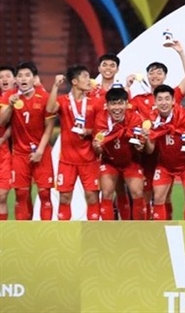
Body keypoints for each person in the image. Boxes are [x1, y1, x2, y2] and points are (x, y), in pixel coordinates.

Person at [127, 41, 185, 219]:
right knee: (149, 193)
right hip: (148, 153)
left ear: (165, 76)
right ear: (147, 76)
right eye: (151, 72)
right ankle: (147, 227)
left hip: (167, 153)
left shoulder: (172, 95)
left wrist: (181, 52)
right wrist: (127, 87)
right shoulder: (139, 99)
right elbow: (123, 111)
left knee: (165, 195)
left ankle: (166, 225)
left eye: (159, 72)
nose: (155, 75)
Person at [0, 62, 55, 220]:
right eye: (20, 76)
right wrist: (10, 106)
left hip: (42, 153)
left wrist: (40, 151)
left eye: (27, 75)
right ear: (16, 80)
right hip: (19, 154)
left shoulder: (44, 97)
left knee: (45, 195)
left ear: (34, 78)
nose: (23, 78)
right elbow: (2, 122)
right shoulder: (9, 96)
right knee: (21, 195)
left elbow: (49, 127)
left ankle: (46, 232)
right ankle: (23, 232)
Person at [46, 65, 101, 221]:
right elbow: (50, 109)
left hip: (89, 159)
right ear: (75, 81)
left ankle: (93, 232)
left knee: (92, 197)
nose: (89, 80)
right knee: (64, 198)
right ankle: (65, 232)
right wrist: (55, 86)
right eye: (85, 76)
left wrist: (88, 131)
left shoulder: (95, 102)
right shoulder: (63, 101)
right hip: (67, 160)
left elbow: (100, 128)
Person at [141, 85, 185, 221]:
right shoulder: (152, 120)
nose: (163, 103)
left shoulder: (183, 116)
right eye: (160, 99)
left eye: (167, 99)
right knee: (158, 198)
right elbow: (150, 150)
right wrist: (146, 138)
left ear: (173, 101)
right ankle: (161, 230)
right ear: (155, 102)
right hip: (165, 166)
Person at [93, 87, 147, 220]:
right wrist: (97, 147)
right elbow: (98, 148)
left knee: (137, 192)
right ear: (107, 105)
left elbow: (140, 146)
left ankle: (140, 229)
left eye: (120, 103)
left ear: (126, 104)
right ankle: (110, 230)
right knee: (107, 193)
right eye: (113, 104)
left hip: (131, 162)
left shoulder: (135, 118)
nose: (117, 108)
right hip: (110, 162)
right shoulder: (100, 119)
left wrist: (140, 145)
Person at [90, 53, 130, 220]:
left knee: (121, 189)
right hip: (97, 146)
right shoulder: (91, 91)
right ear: (99, 68)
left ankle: (125, 227)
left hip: (119, 146)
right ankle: (105, 226)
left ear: (117, 69)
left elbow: (129, 116)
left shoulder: (123, 91)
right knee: (102, 191)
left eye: (112, 65)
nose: (108, 68)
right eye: (104, 65)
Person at [0, 66, 15, 220]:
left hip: (15, 152)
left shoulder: (22, 98)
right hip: (5, 150)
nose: (4, 79)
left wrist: (3, 139)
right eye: (1, 77)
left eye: (7, 76)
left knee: (3, 195)